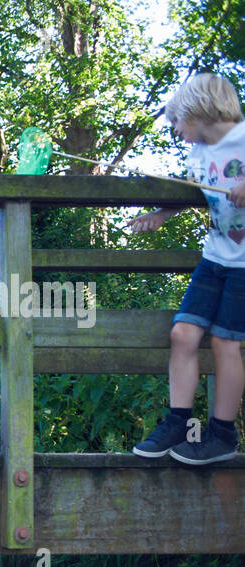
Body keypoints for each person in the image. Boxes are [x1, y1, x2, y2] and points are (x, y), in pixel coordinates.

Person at [128, 73, 245, 465]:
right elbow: (198, 190)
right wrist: (162, 214)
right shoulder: (198, 153)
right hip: (215, 258)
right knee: (182, 334)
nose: (175, 131)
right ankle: (178, 421)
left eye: (177, 121)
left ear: (197, 111)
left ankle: (223, 434)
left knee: (226, 343)